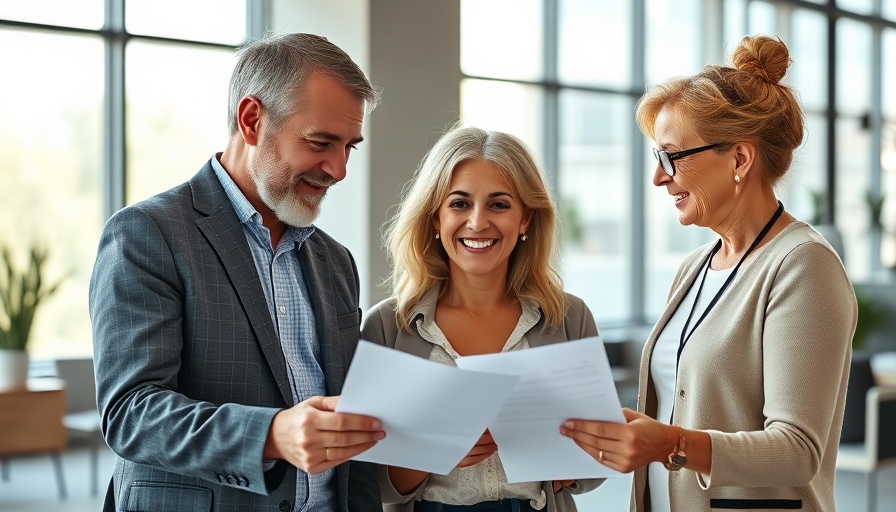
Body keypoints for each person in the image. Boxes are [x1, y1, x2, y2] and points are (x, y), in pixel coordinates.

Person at [89, 33, 386, 512]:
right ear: (252, 120)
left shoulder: (336, 261)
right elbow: (131, 413)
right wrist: (271, 434)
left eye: (350, 146)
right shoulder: (148, 234)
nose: (339, 169)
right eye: (320, 142)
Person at [559, 35, 857, 512]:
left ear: (739, 158)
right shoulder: (692, 268)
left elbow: (798, 450)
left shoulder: (803, 265)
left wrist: (671, 444)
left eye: (671, 156)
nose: (659, 177)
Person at [361, 125, 603, 512]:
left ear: (525, 219)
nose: (477, 222)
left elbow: (593, 468)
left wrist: (565, 454)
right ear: (435, 217)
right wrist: (432, 445)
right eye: (459, 203)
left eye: (499, 204)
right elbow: (367, 483)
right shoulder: (389, 326)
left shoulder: (569, 317)